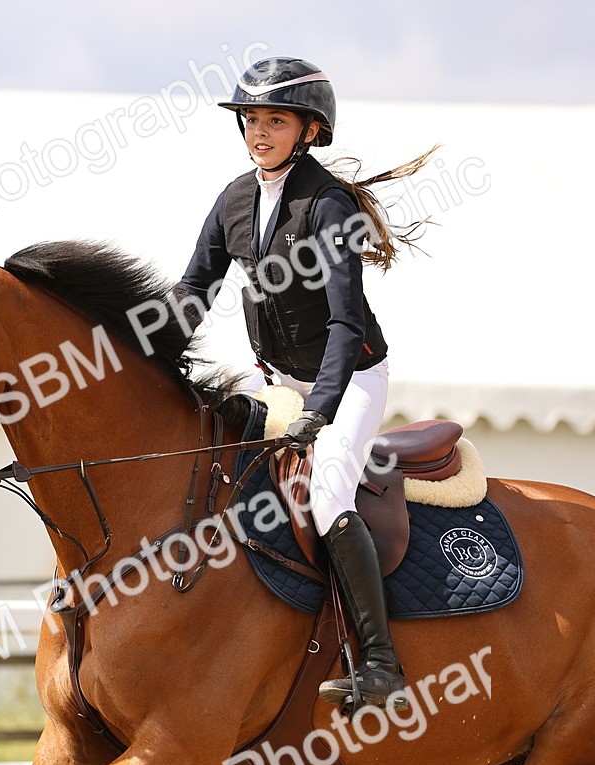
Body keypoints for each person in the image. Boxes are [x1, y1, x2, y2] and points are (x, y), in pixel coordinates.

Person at [173, 57, 433, 708]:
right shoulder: (234, 199)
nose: (259, 133)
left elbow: (347, 324)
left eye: (275, 121)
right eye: (251, 121)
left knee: (326, 494)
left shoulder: (328, 204)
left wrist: (320, 409)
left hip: (351, 378)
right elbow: (192, 293)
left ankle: (379, 663)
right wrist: (136, 354)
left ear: (309, 130)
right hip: (280, 380)